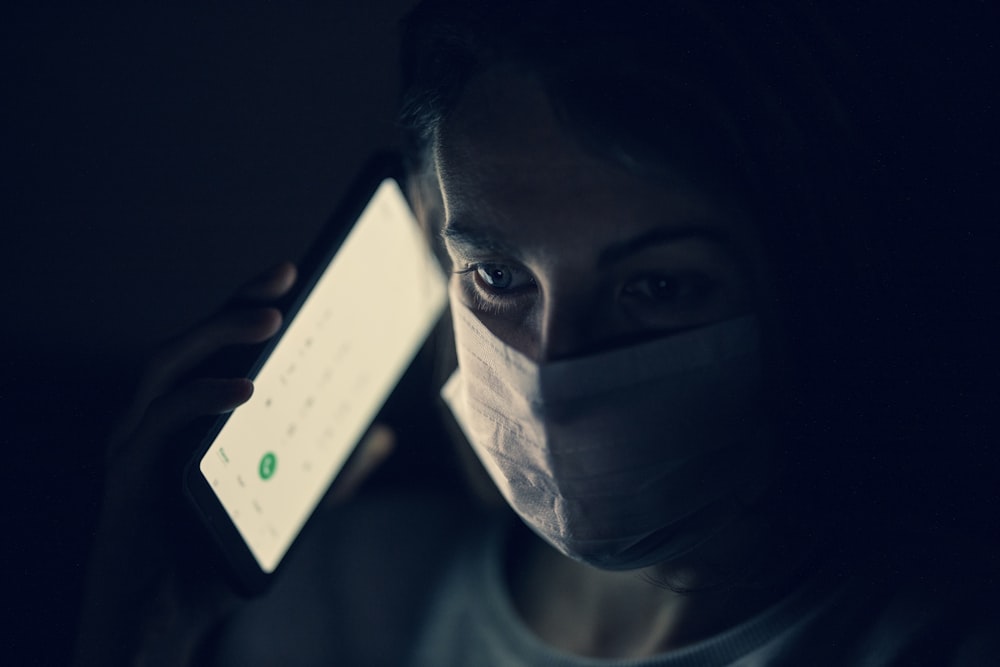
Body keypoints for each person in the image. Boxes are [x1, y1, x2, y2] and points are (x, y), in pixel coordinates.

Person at [74, 1, 998, 665]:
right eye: (500, 276)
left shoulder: (935, 637)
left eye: (659, 285)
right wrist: (136, 639)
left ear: (812, 276)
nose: (554, 363)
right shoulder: (334, 599)